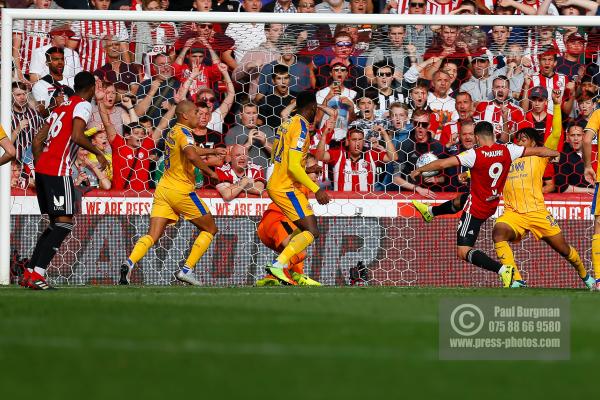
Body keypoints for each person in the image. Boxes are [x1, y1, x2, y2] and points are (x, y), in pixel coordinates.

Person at [410, 121, 559, 288]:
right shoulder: (508, 149)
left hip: (475, 209)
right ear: (493, 135)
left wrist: (420, 170)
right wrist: (554, 153)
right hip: (491, 203)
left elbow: (442, 164)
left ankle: (503, 270)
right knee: (463, 197)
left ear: (476, 137)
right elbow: (539, 150)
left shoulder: (474, 154)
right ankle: (431, 212)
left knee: (463, 250)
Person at [23, 71, 110, 290]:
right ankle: (38, 275)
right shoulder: (82, 105)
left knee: (56, 223)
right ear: (90, 88)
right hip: (56, 171)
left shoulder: (60, 108)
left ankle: (31, 272)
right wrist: (98, 153)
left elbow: (37, 140)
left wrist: (41, 164)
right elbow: (77, 137)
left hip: (43, 169)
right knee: (64, 222)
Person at [120, 101, 220, 286]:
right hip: (181, 191)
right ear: (185, 115)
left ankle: (129, 262)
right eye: (195, 112)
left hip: (163, 190)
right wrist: (211, 172)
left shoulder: (173, 132)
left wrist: (213, 150)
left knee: (152, 235)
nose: (199, 115)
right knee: (210, 229)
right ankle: (186, 270)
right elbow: (191, 154)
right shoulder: (184, 133)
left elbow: (190, 150)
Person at [264, 91, 331, 284]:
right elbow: (293, 166)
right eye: (315, 109)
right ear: (311, 108)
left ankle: (282, 271)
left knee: (303, 230)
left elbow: (280, 156)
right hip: (285, 186)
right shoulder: (301, 127)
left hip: (277, 182)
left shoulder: (286, 124)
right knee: (312, 231)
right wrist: (316, 188)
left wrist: (308, 168)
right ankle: (278, 266)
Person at [256, 154, 322, 286]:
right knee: (302, 246)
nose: (317, 174)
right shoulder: (294, 181)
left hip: (268, 226)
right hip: (277, 220)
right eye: (314, 170)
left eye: (319, 171)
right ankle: (278, 271)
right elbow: (293, 168)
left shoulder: (305, 188)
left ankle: (283, 276)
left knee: (300, 245)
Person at [582, 108, 600, 290]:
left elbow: (586, 139)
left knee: (599, 224)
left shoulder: (599, 113)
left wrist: (588, 165)